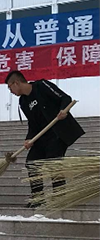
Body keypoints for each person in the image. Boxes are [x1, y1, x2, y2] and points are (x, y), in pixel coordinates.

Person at [5, 70, 85, 206]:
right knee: (31, 163)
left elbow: (65, 98)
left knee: (53, 161)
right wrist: (29, 139)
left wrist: (63, 110)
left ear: (16, 83)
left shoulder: (41, 86)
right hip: (42, 137)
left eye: (10, 87)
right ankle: (38, 198)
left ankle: (59, 197)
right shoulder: (23, 102)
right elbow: (32, 123)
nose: (10, 91)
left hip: (58, 132)